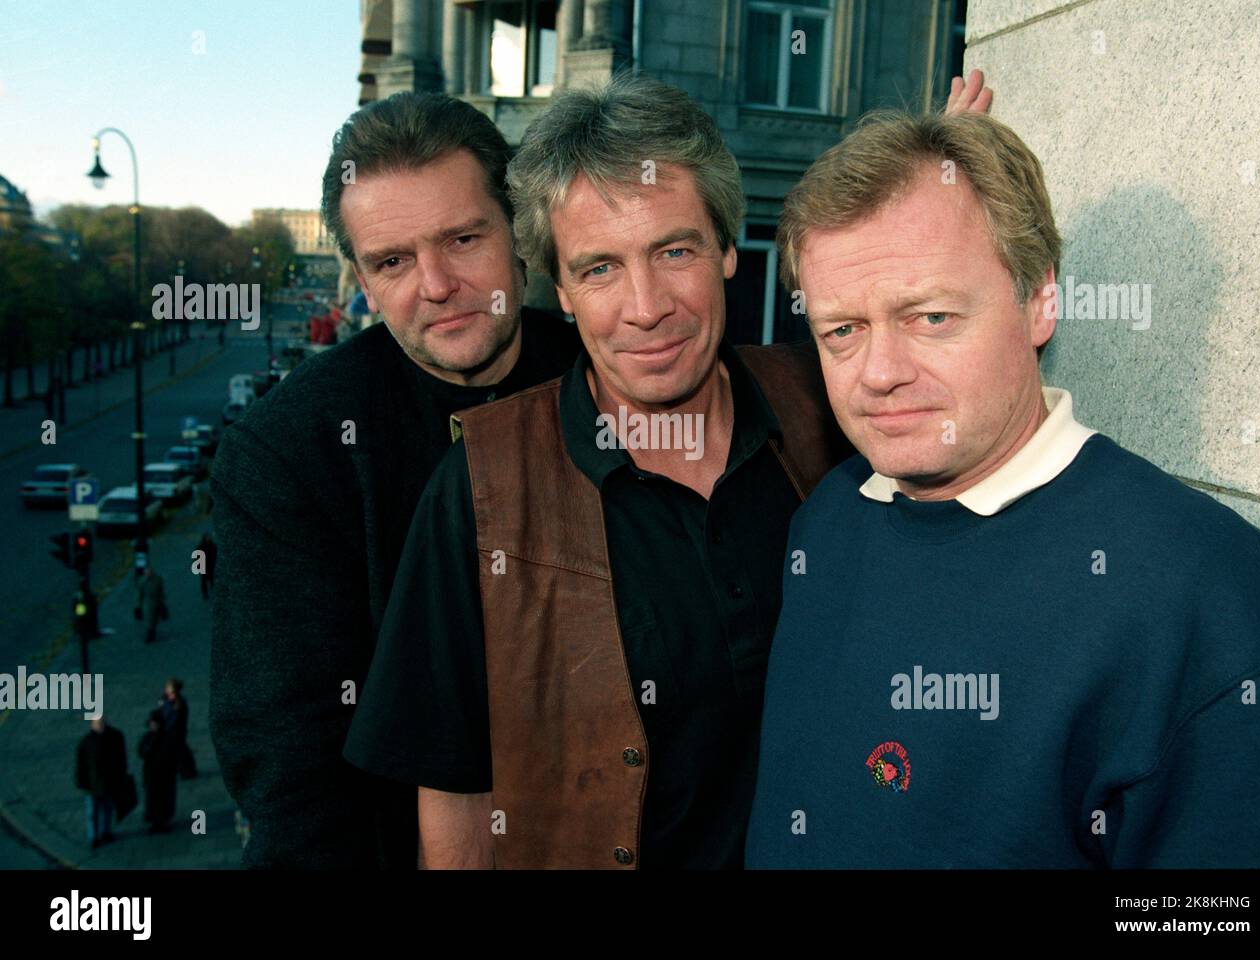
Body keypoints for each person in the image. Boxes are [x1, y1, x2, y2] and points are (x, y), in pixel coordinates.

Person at [343, 73, 991, 869]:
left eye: (674, 250)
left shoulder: (825, 412)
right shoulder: (482, 486)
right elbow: (456, 793)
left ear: (727, 249)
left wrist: (939, 186)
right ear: (562, 293)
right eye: (599, 269)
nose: (645, 306)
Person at [744, 110, 1260, 868]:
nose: (878, 373)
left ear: (1039, 300)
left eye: (931, 316)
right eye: (843, 330)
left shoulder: (1210, 592)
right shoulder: (828, 519)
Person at [210, 91, 582, 868]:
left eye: (463, 238)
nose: (436, 284)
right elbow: (290, 763)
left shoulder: (609, 379)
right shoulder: (288, 452)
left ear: (519, 232)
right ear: (362, 281)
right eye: (392, 261)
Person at [75, 716, 127, 849]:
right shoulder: (86, 742)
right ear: (92, 724)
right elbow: (80, 765)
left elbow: (121, 759)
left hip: (108, 782)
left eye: (102, 722)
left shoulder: (115, 737)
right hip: (92, 784)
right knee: (92, 812)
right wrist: (81, 782)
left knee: (107, 809)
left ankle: (105, 832)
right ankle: (94, 836)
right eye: (98, 723)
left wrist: (122, 776)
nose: (100, 725)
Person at [138, 709, 177, 834]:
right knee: (152, 800)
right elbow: (141, 752)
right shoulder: (147, 737)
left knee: (165, 799)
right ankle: (155, 822)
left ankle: (164, 821)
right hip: (151, 775)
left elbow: (172, 755)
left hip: (165, 775)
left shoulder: (168, 737)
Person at [160, 678, 196, 780]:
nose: (166, 690)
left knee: (179, 751)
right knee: (180, 751)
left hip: (176, 731)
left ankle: (187, 771)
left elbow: (173, 719)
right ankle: (186, 770)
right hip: (173, 731)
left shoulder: (178, 703)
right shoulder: (167, 700)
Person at [134, 565, 167, 644]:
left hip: (156, 601)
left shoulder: (158, 579)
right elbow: (139, 595)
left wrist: (162, 601)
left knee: (155, 619)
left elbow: (161, 591)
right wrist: (137, 606)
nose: (148, 572)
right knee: (149, 619)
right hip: (147, 603)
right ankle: (150, 633)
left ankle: (152, 631)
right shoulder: (142, 581)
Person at [195, 532, 217, 600]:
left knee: (211, 578)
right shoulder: (200, 547)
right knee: (204, 581)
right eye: (207, 538)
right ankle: (205, 594)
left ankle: (212, 588)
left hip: (210, 565)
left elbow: (215, 554)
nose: (208, 539)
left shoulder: (213, 546)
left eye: (209, 538)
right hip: (203, 566)